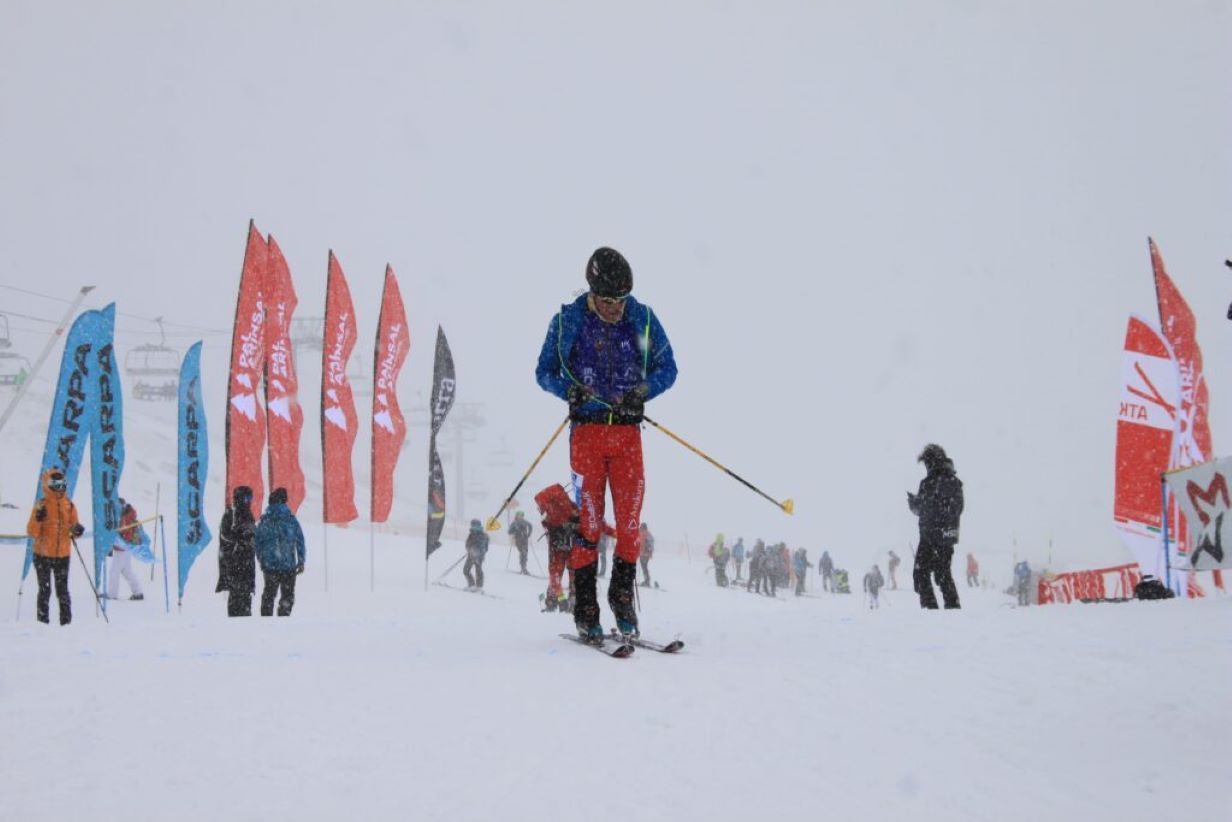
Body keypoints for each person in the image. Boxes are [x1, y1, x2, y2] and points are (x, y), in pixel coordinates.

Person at [535, 246, 678, 642]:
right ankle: (585, 608)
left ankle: (622, 599)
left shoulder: (642, 319)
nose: (617, 309)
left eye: (622, 301)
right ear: (592, 292)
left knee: (630, 524)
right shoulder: (568, 322)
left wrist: (644, 390)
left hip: (628, 437)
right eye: (609, 301)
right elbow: (543, 372)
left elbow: (669, 367)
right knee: (590, 526)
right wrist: (569, 391)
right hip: (587, 437)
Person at [907, 443, 964, 609]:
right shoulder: (955, 482)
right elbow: (957, 509)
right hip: (948, 536)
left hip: (930, 536)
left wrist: (914, 504)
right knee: (943, 574)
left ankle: (931, 612)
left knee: (921, 575)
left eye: (926, 463)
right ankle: (953, 608)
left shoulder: (929, 483)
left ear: (931, 462)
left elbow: (924, 509)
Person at [26, 468, 84, 625]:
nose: (60, 487)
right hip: (42, 555)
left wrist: (77, 530)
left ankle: (66, 624)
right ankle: (42, 624)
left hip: (63, 555)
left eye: (62, 484)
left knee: (63, 591)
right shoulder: (41, 505)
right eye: (56, 484)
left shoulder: (69, 505)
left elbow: (73, 529)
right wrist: (38, 519)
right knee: (45, 591)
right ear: (48, 485)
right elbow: (32, 532)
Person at [254, 487, 305, 617]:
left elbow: (258, 541)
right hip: (288, 565)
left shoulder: (265, 521)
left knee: (269, 594)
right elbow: (300, 541)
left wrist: (261, 558)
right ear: (284, 501)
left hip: (270, 565)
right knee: (287, 595)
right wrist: (301, 560)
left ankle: (266, 619)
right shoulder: (291, 520)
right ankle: (283, 618)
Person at [216, 485, 256, 617]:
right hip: (234, 563)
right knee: (236, 595)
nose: (250, 501)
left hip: (247, 563)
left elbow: (252, 535)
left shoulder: (249, 515)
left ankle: (244, 622)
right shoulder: (230, 515)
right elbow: (225, 536)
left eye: (251, 498)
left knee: (246, 597)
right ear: (241, 498)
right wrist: (240, 540)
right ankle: (234, 624)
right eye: (248, 498)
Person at [106, 498, 144, 601]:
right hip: (126, 546)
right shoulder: (128, 514)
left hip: (122, 547)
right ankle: (138, 592)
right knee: (127, 571)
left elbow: (120, 532)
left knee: (114, 571)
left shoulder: (123, 515)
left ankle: (112, 595)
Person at [464, 519, 490, 590]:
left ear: (479, 525)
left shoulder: (482, 535)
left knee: (478, 570)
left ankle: (479, 587)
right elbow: (467, 544)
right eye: (473, 525)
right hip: (471, 555)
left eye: (476, 525)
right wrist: (469, 549)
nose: (474, 527)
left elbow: (484, 547)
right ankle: (472, 585)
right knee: (466, 570)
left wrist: (475, 551)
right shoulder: (471, 534)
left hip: (479, 556)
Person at [509, 511, 533, 575]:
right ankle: (523, 568)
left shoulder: (525, 522)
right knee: (523, 552)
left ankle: (523, 568)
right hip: (518, 540)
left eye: (522, 515)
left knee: (524, 553)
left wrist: (529, 534)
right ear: (516, 516)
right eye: (519, 515)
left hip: (525, 540)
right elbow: (509, 532)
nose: (520, 516)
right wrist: (514, 530)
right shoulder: (514, 523)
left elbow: (530, 526)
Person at [638, 523, 655, 587]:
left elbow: (650, 544)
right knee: (644, 567)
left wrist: (648, 550)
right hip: (643, 554)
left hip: (645, 554)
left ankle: (647, 581)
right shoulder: (643, 534)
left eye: (641, 527)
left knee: (644, 567)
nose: (640, 528)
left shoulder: (647, 534)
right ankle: (646, 580)